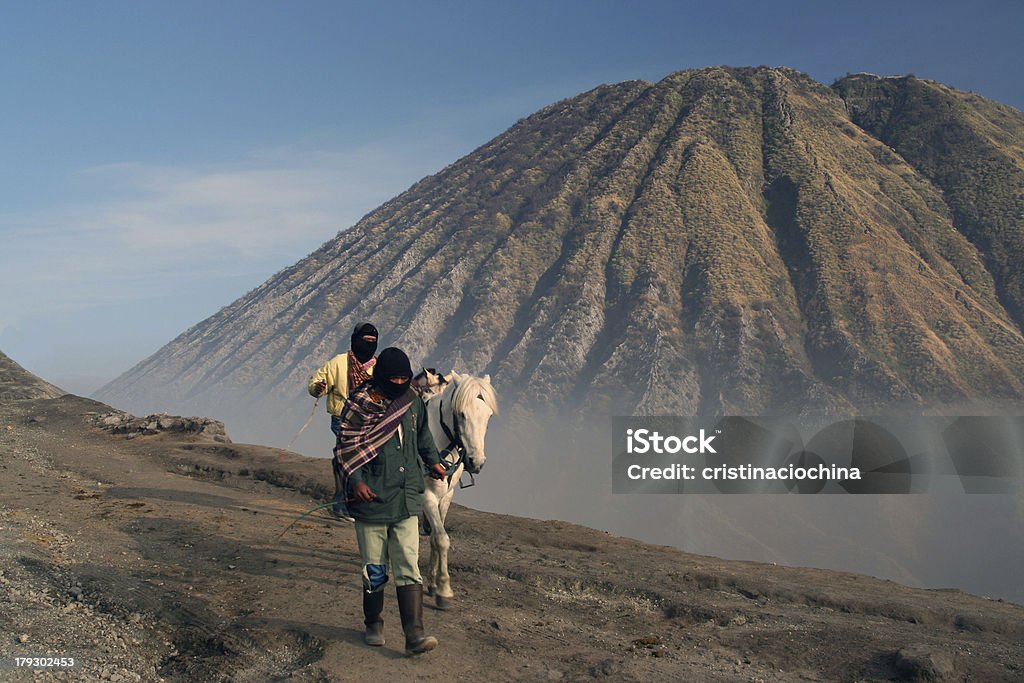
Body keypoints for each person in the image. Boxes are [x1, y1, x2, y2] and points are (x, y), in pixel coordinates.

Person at [335, 347, 447, 655]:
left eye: (403, 377)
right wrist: (356, 481)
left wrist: (434, 461)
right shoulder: (360, 404)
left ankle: (415, 636)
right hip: (372, 497)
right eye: (393, 378)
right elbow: (346, 447)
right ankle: (374, 622)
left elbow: (423, 436)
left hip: (407, 495)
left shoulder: (411, 402)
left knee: (409, 565)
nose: (399, 382)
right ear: (381, 377)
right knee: (375, 568)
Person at [307, 322, 379, 518]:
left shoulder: (378, 367)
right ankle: (342, 506)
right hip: (342, 420)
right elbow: (315, 382)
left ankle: (360, 503)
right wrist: (318, 388)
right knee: (350, 460)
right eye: (365, 341)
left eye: (373, 342)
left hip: (371, 422)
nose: (369, 345)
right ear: (355, 341)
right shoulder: (338, 363)